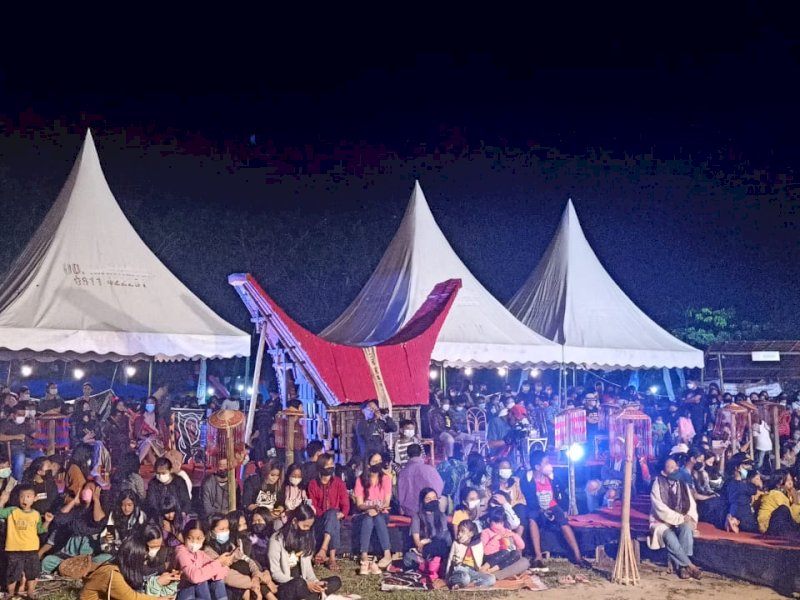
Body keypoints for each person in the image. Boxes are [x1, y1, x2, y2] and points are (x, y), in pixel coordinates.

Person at [520, 450, 588, 569]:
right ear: (537, 467)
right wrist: (542, 511)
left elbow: (562, 493)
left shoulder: (552, 477)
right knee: (532, 518)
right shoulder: (527, 480)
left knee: (562, 519)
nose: (549, 465)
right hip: (537, 508)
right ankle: (538, 557)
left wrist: (563, 509)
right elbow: (530, 500)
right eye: (546, 463)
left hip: (552, 506)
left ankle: (578, 556)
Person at [268, 504, 343, 600]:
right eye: (305, 526)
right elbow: (275, 573)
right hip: (287, 585)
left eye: (309, 527)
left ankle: (311, 596)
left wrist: (316, 583)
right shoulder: (276, 539)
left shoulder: (305, 538)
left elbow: (308, 569)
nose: (307, 529)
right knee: (299, 583)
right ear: (294, 521)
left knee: (336, 581)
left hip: (304, 584)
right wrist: (305, 584)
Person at [648, 457, 702, 579]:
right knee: (669, 536)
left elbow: (691, 504)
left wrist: (691, 519)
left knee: (686, 529)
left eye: (675, 467)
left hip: (680, 518)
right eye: (670, 467)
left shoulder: (682, 483)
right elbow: (660, 509)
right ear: (664, 471)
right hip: (661, 521)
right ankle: (690, 566)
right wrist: (680, 518)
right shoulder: (657, 484)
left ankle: (682, 568)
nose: (675, 469)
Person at [41, 481, 112, 574]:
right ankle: (71, 569)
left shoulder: (99, 509)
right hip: (70, 553)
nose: (86, 490)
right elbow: (59, 518)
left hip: (89, 552)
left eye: (90, 489)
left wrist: (96, 500)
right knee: (47, 561)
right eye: (85, 488)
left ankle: (81, 569)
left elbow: (98, 520)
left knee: (107, 558)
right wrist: (74, 501)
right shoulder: (77, 509)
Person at [204, 513, 276, 600]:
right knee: (240, 567)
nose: (225, 532)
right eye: (222, 529)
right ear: (211, 531)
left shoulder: (230, 545)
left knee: (242, 564)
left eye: (227, 528)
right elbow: (226, 575)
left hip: (246, 581)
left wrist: (256, 577)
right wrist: (253, 583)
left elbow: (248, 560)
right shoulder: (208, 551)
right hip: (223, 586)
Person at [0, 484, 52, 599]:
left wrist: (47, 522)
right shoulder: (12, 511)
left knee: (32, 573)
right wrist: (2, 501)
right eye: (22, 496)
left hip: (31, 549)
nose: (24, 499)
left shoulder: (36, 514)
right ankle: (10, 594)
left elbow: (40, 530)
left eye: (28, 496)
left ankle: (30, 593)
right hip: (14, 549)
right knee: (13, 574)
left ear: (34, 498)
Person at [80, 534, 164, 600]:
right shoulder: (112, 574)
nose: (144, 563)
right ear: (133, 559)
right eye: (142, 559)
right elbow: (131, 597)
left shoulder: (116, 565)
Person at [307, 453, 349, 571]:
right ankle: (332, 558)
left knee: (332, 515)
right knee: (331, 515)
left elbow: (345, 504)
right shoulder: (313, 484)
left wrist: (342, 514)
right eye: (327, 465)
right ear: (321, 467)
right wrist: (327, 516)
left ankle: (324, 549)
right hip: (319, 518)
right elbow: (313, 506)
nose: (331, 467)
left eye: (332, 464)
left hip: (336, 517)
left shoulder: (339, 483)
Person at [354, 452, 393, 574]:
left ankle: (387, 554)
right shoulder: (360, 480)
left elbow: (387, 502)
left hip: (382, 513)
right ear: (368, 464)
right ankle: (364, 555)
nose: (378, 464)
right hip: (365, 512)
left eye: (379, 461)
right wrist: (370, 507)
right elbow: (360, 504)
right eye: (374, 462)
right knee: (368, 519)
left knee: (378, 517)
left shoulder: (386, 479)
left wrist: (378, 508)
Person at [175, 519, 232, 600]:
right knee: (199, 579)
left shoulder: (200, 554)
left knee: (216, 581)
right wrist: (218, 563)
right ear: (184, 537)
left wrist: (220, 565)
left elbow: (223, 571)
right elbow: (194, 577)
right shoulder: (181, 552)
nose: (194, 542)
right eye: (190, 538)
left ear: (204, 538)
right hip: (183, 591)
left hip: (198, 591)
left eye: (199, 539)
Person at [404, 487, 452, 581]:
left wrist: (428, 540)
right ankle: (430, 566)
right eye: (428, 499)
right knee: (408, 558)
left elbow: (444, 538)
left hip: (440, 549)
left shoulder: (442, 516)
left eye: (434, 498)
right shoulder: (417, 517)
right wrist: (425, 543)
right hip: (425, 552)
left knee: (443, 540)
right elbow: (418, 543)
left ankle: (431, 566)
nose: (432, 501)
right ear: (423, 501)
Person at [479, 506, 530, 580]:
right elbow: (485, 552)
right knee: (504, 552)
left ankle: (491, 572)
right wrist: (495, 539)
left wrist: (514, 535)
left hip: (502, 564)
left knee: (519, 556)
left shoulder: (506, 531)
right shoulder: (485, 532)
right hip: (490, 560)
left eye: (501, 523)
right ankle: (484, 569)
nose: (499, 525)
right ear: (489, 520)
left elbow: (521, 546)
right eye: (496, 522)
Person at [446, 519, 496, 589]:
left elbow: (478, 562)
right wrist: (447, 576)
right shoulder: (456, 543)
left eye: (462, 531)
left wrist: (480, 572)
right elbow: (450, 559)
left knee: (491, 579)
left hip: (472, 571)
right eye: (459, 531)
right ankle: (457, 582)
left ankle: (470, 585)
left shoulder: (478, 544)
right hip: (459, 569)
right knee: (465, 578)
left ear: (471, 534)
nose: (459, 533)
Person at [397, 443, 444, 516]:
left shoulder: (403, 472)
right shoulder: (429, 469)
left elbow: (400, 495)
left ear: (408, 455)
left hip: (410, 511)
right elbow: (439, 486)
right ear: (421, 454)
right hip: (428, 509)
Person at [757, 470, 800, 536]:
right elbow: (792, 517)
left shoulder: (785, 495)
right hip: (769, 527)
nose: (791, 483)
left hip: (775, 526)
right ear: (779, 483)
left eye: (791, 480)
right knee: (783, 509)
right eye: (788, 481)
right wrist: (796, 500)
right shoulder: (776, 494)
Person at [0, 403, 36, 481]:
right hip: (12, 449)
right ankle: (18, 481)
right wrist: (16, 437)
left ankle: (33, 479)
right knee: (20, 458)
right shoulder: (5, 424)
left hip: (26, 448)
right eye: (19, 415)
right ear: (13, 415)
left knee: (40, 456)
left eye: (23, 415)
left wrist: (34, 424)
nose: (21, 417)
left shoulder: (25, 424)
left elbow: (35, 435)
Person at [491, 459, 526, 528]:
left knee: (520, 509)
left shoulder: (516, 481)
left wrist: (509, 504)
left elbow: (522, 500)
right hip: (500, 511)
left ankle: (518, 534)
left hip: (515, 510)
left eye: (508, 468)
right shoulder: (491, 484)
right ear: (497, 470)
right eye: (504, 468)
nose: (506, 470)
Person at [134, 399, 165, 465]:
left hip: (156, 441)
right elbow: (137, 434)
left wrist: (154, 437)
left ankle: (136, 465)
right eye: (148, 403)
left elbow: (162, 435)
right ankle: (155, 467)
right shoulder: (140, 418)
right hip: (142, 440)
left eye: (151, 403)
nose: (149, 405)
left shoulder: (158, 419)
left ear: (155, 405)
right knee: (148, 443)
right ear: (145, 405)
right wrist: (146, 439)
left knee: (149, 444)